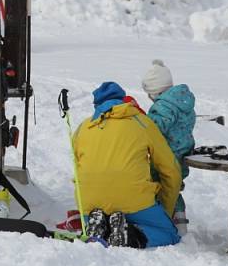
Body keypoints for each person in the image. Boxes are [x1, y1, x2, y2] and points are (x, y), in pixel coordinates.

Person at [73, 82, 182, 248]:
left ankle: (99, 225)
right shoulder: (142, 123)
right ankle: (131, 235)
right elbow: (170, 169)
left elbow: (78, 168)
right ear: (123, 101)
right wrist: (166, 210)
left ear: (96, 106)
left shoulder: (83, 128)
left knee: (102, 208)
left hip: (90, 203)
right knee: (169, 234)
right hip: (135, 202)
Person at [141, 59, 196, 235]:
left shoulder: (164, 107)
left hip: (166, 157)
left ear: (155, 91)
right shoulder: (184, 102)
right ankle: (180, 222)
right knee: (174, 188)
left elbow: (153, 129)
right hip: (182, 155)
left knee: (159, 186)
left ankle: (163, 220)